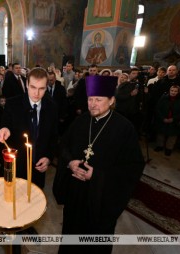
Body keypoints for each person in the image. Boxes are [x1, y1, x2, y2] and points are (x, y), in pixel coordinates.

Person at [53, 75, 145, 254]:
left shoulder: (125, 128)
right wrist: (70, 163)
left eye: (98, 99)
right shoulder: (81, 121)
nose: (92, 104)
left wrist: (97, 175)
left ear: (111, 101)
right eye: (90, 99)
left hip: (101, 200)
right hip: (75, 196)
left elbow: (132, 168)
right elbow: (63, 146)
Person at [0, 67, 58, 189]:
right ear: (26, 84)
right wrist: (5, 129)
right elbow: (5, 125)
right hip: (17, 165)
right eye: (33, 87)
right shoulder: (12, 104)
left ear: (46, 87)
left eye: (41, 89)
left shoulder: (52, 107)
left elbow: (54, 136)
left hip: (39, 167)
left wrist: (48, 157)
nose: (37, 93)